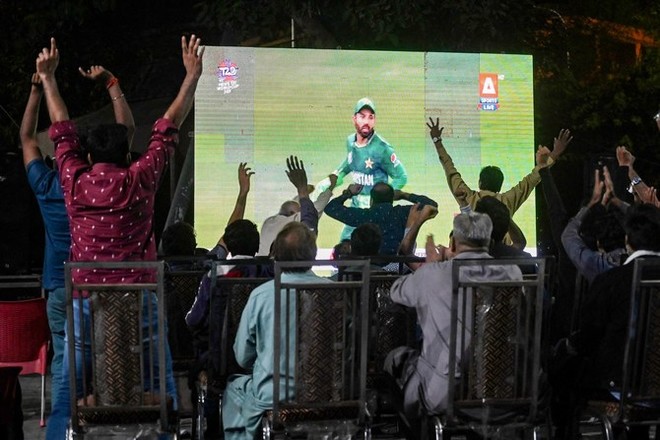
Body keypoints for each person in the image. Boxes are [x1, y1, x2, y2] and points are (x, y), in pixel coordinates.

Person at [39, 35, 203, 438]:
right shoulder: (139, 180)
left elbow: (61, 129)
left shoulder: (74, 182)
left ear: (88, 157)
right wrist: (191, 77)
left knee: (67, 396)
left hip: (85, 303)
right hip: (139, 301)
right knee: (162, 393)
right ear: (127, 155)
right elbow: (168, 126)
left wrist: (48, 79)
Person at [20, 65, 135, 413]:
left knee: (65, 363)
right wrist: (111, 83)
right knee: (109, 361)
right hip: (104, 284)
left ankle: (64, 418)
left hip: (60, 286)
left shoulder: (48, 186)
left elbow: (26, 139)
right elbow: (126, 134)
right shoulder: (104, 186)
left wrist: (37, 90)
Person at [383, 212, 523, 433]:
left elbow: (396, 292)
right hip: (503, 388)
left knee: (394, 359)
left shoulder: (435, 273)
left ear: (454, 243)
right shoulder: (512, 273)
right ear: (489, 243)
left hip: (444, 392)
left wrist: (430, 267)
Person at [556, 203, 660, 440]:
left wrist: (566, 348)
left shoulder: (612, 281)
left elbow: (589, 337)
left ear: (628, 240)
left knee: (566, 370)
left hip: (619, 387)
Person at [222, 221, 331, 440]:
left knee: (234, 389)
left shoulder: (262, 295)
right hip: (330, 394)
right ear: (313, 255)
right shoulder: (337, 292)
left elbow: (242, 357)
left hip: (273, 396)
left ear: (276, 256)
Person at [427, 118, 571, 245]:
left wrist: (437, 141)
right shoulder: (507, 201)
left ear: (480, 183)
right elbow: (533, 178)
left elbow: (450, 170)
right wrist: (554, 153)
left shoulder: (468, 198)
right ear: (499, 185)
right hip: (503, 257)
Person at [318, 97, 408, 240]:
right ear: (354, 119)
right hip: (355, 208)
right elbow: (350, 162)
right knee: (345, 244)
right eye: (362, 116)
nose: (366, 121)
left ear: (374, 120)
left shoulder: (382, 148)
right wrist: (334, 178)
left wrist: (382, 199)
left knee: (372, 245)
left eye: (370, 117)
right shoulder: (350, 141)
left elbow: (401, 177)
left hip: (375, 212)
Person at [324, 181, 437, 256]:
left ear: (371, 200)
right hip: (398, 266)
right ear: (392, 199)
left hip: (369, 269)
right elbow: (431, 206)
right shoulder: (402, 213)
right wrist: (404, 195)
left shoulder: (364, 216)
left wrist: (348, 193)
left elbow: (330, 208)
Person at [561, 166, 627, 285]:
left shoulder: (595, 264)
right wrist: (618, 201)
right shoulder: (639, 260)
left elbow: (567, 235)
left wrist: (592, 202)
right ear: (627, 238)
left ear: (598, 243)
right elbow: (648, 225)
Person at [257, 156, 325, 256]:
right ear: (292, 214)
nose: (301, 212)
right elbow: (311, 213)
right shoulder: (295, 223)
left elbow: (292, 208)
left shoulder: (268, 222)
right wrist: (303, 189)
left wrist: (302, 191)